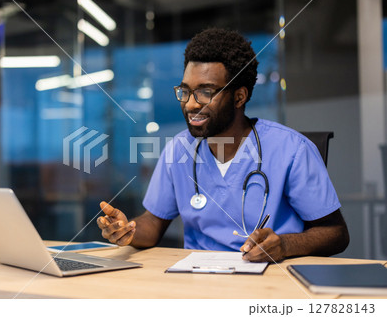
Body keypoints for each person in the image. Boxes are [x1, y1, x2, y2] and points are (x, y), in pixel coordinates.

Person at [97, 28, 349, 262]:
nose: (192, 104)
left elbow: (336, 233)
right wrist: (128, 230)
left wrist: (284, 245)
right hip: (197, 281)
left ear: (239, 96)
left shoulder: (292, 149)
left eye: (205, 92)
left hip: (269, 281)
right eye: (185, 91)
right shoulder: (178, 149)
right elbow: (153, 223)